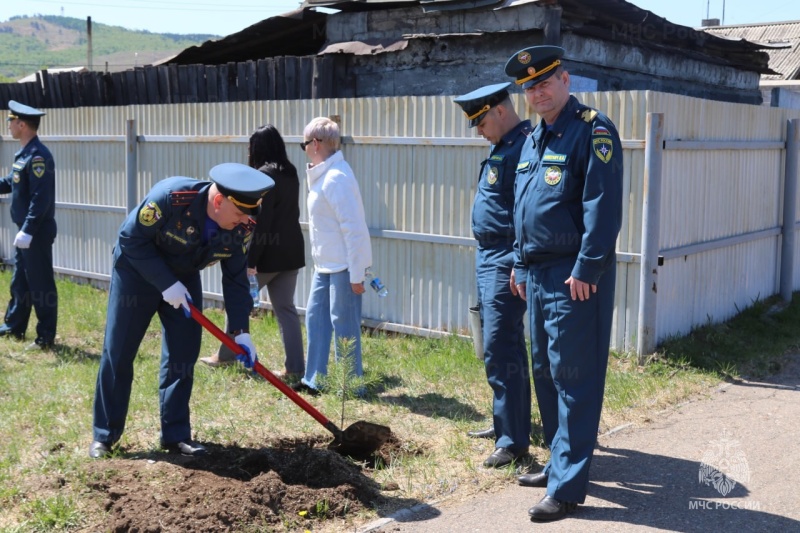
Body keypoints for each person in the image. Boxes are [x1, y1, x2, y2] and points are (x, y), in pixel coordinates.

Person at [504, 45, 623, 521]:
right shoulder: (535, 137)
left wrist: (588, 267)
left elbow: (602, 205)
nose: (538, 91)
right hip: (536, 273)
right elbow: (523, 206)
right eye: (530, 86)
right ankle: (557, 464)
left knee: (574, 377)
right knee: (546, 373)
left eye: (546, 81)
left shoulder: (592, 130)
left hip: (573, 276)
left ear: (566, 81)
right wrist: (518, 261)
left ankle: (568, 488)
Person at [89, 162, 274, 459]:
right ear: (217, 201)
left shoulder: (242, 226)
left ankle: (175, 435)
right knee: (119, 351)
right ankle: (105, 435)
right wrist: (165, 283)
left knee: (183, 354)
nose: (244, 221)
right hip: (137, 272)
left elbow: (236, 279)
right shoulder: (171, 197)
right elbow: (131, 239)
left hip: (184, 277)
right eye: (240, 213)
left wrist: (240, 332)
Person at [452, 84, 531, 468]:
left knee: (500, 345)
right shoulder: (503, 146)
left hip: (505, 256)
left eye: (481, 121)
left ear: (500, 110)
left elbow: (527, 213)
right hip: (488, 254)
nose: (479, 131)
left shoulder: (524, 147)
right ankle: (507, 424)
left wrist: (519, 260)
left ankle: (513, 441)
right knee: (499, 342)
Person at [200, 125, 306, 379]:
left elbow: (262, 222)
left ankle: (227, 355)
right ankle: (295, 368)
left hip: (267, 257)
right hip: (291, 254)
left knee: (239, 301)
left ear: (257, 148)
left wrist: (251, 261)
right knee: (286, 310)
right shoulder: (290, 172)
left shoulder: (263, 177)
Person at [293, 116, 372, 395]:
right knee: (316, 319)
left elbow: (354, 229)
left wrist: (357, 273)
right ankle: (315, 380)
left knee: (345, 326)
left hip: (343, 267)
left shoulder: (336, 178)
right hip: (324, 266)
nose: (303, 149)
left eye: (304, 144)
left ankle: (350, 387)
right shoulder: (323, 174)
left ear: (314, 144)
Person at [0, 100, 58, 350]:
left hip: (34, 232)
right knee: (20, 283)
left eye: (10, 121)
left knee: (41, 284)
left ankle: (45, 337)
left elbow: (40, 198)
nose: (8, 125)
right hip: (25, 232)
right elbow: (13, 183)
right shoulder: (24, 153)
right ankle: (14, 326)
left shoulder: (38, 157)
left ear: (21, 124)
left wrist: (28, 230)